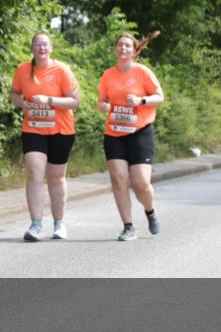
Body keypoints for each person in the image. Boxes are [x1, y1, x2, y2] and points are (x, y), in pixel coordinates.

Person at [9, 32, 81, 240]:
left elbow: (75, 101)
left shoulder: (61, 70)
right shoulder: (23, 70)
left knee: (56, 178)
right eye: (37, 44)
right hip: (33, 128)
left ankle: (59, 223)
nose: (41, 48)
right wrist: (23, 103)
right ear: (32, 48)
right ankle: (36, 225)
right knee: (34, 172)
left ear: (51, 49)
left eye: (45, 45)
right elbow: (14, 93)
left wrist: (50, 100)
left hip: (61, 130)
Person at [97, 32, 165, 242]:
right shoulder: (108, 75)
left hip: (139, 132)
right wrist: (104, 106)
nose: (123, 48)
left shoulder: (142, 72)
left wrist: (141, 100)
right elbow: (102, 102)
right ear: (116, 49)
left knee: (141, 183)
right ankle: (128, 227)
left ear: (134, 51)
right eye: (120, 45)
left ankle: (150, 210)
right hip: (114, 133)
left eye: (127, 46)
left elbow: (159, 97)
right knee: (118, 179)